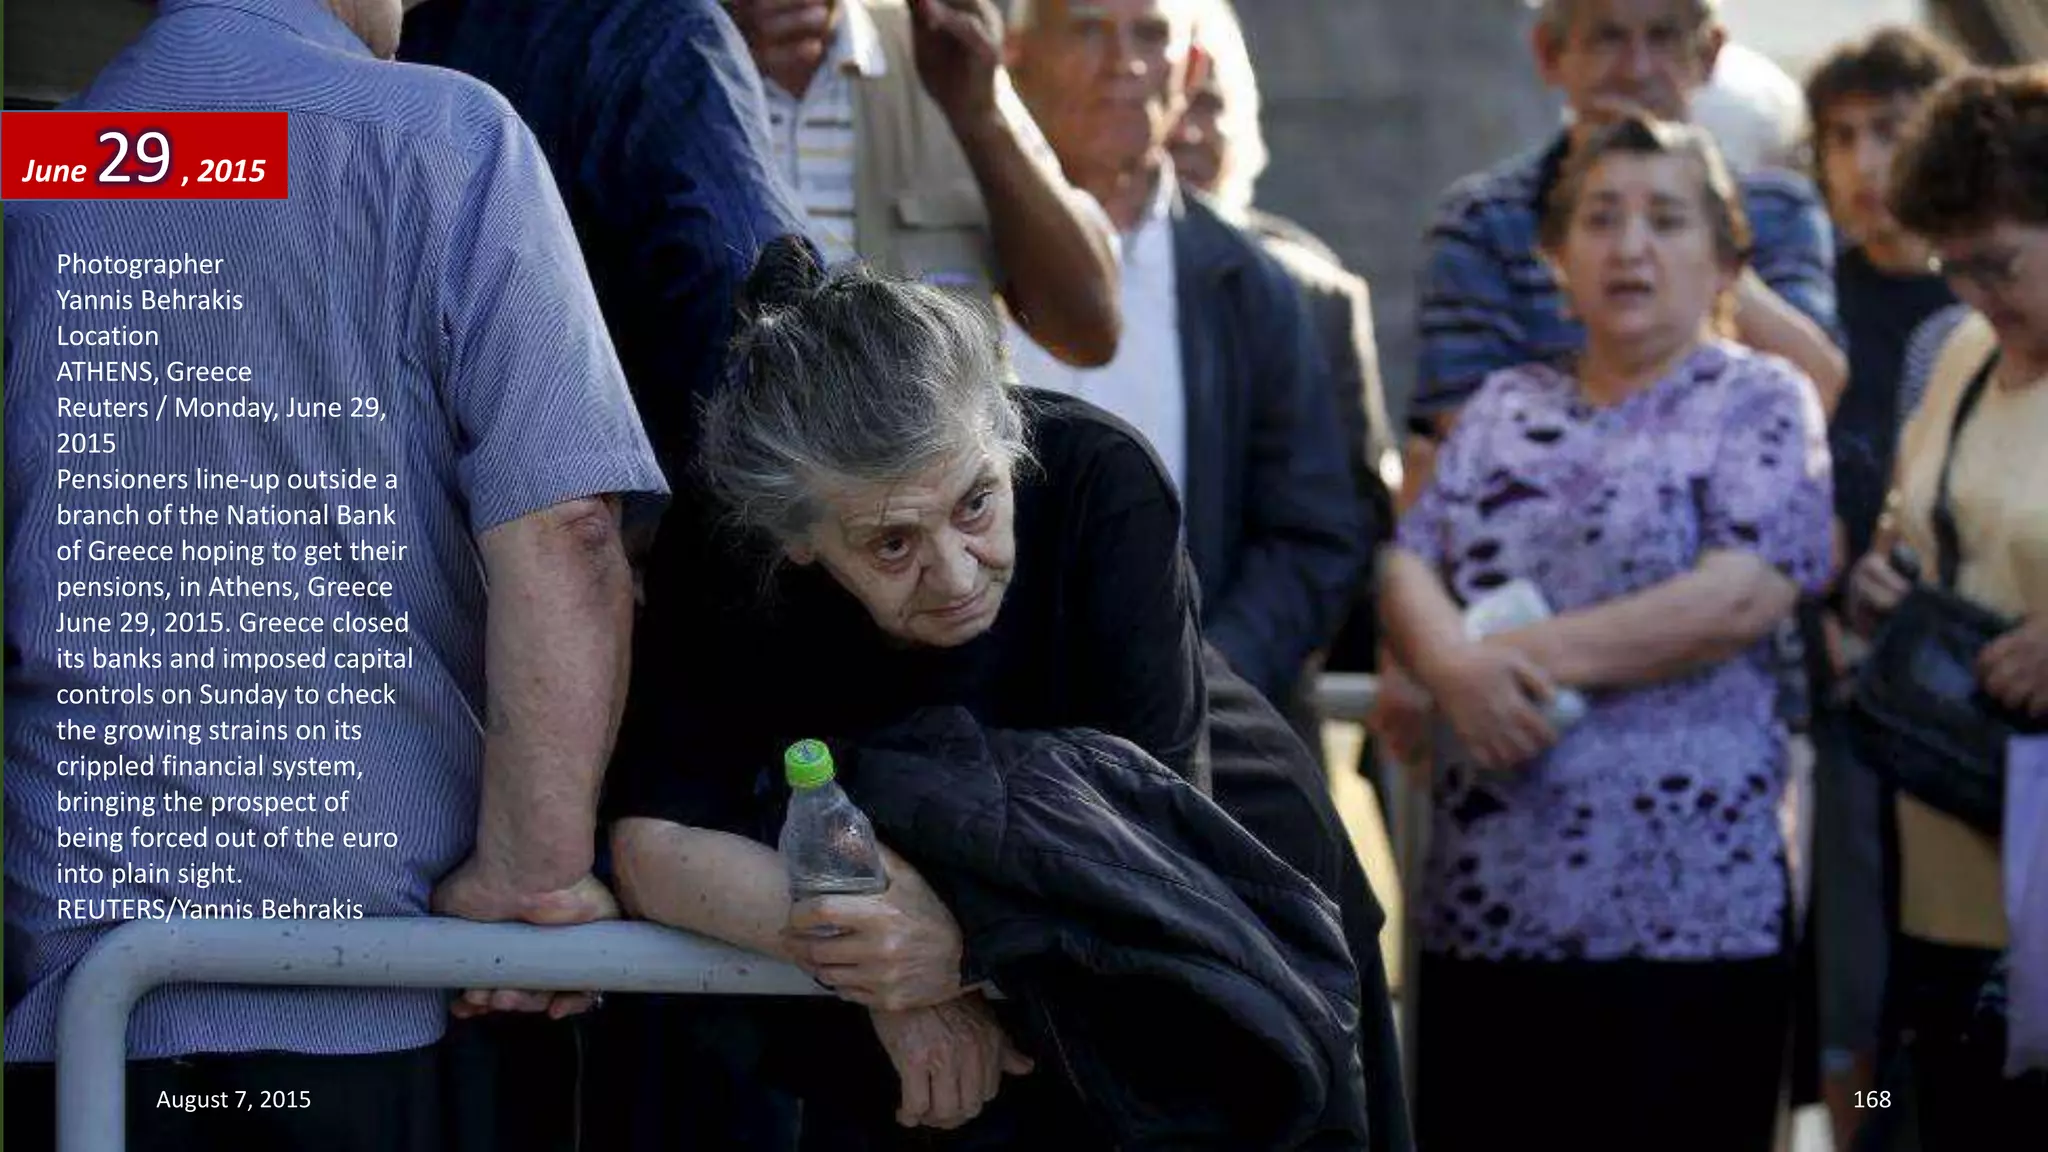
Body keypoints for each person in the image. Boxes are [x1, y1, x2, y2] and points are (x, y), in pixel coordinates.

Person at [2, 0, 667, 1148]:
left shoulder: (33, 177)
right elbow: (566, 528)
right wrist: (529, 879)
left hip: (89, 1034)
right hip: (391, 1002)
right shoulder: (448, 139)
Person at [604, 237, 1398, 1148]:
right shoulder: (729, 544)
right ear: (798, 541)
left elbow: (1148, 856)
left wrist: (960, 944)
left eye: (976, 503)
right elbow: (653, 845)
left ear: (1007, 442)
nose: (955, 575)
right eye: (892, 543)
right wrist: (890, 961)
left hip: (1214, 888)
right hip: (961, 951)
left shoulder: (1102, 476)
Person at [1374, 116, 1832, 1151]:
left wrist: (1496, 666)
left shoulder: (1761, 398)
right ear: (1555, 258)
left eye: (1665, 220)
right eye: (1600, 219)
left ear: (1725, 260)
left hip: (1691, 911)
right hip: (1492, 896)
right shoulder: (1502, 404)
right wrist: (1449, 667)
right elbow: (1407, 558)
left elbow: (1740, 595)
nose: (1629, 246)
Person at [1005, 0, 1369, 708]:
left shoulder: (1250, 285)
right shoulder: (949, 252)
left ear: (1192, 68)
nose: (1124, 63)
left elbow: (1312, 535)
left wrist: (1204, 683)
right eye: (1088, 29)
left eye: (1151, 34)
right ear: (1014, 58)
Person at [1846, 65, 2048, 1150]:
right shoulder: (1960, 353)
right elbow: (1911, 521)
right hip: (1946, 846)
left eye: (1997, 262)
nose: (1973, 291)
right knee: (1930, 1111)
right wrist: (1883, 582)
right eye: (1950, 264)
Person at [1414, 0, 1843, 484]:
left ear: (1708, 56)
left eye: (1663, 38)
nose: (1636, 70)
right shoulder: (1484, 221)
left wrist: (1708, 241)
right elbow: (1466, 436)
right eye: (1608, 39)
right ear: (1550, 54)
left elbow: (1815, 389)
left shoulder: (1776, 208)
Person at [399, 0, 809, 481]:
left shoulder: (383, 43)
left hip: (394, 493)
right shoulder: (662, 34)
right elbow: (752, 292)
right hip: (613, 499)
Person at [1797, 26, 1969, 1146]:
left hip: (1970, 710)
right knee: (1852, 1012)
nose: (1865, 165)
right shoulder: (1805, 301)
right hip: (1840, 710)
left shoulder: (1989, 310)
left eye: (1890, 132)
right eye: (1840, 138)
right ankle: (1862, 1130)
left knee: (1964, 1000)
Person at [1170, 0, 1399, 747]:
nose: (1187, 130)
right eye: (1174, 100)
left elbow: (1341, 526)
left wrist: (1207, 681)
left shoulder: (1312, 297)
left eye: (1210, 102)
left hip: (1253, 724)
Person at [724, 0, 1121, 367]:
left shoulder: (948, 51)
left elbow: (1087, 334)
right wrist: (713, 54)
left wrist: (981, 121)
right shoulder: (690, 72)